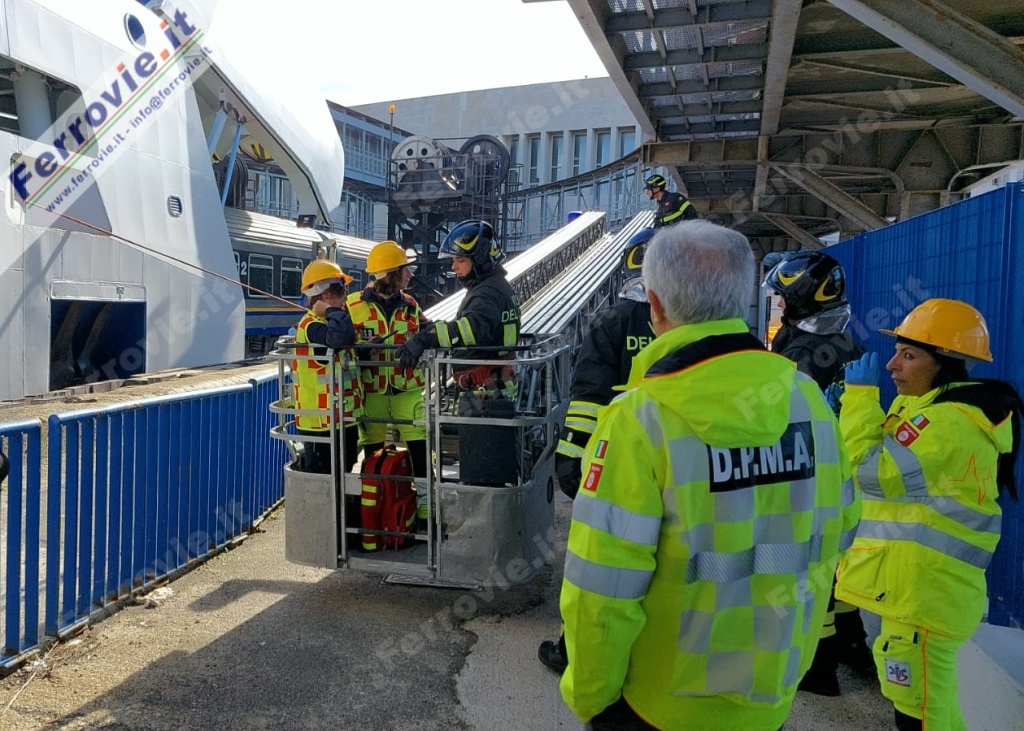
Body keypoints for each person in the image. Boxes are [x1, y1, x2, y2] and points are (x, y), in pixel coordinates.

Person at [559, 220, 859, 731]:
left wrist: (591, 696)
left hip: (659, 704)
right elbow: (842, 528)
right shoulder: (806, 399)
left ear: (655, 305)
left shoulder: (639, 420)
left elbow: (601, 591)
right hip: (771, 694)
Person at [836, 298, 1022, 731]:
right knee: (932, 704)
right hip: (925, 592)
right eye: (897, 352)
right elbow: (885, 454)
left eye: (909, 355)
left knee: (919, 709)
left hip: (923, 596)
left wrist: (859, 400)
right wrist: (844, 410)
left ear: (945, 362)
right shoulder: (930, 408)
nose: (891, 366)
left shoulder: (947, 423)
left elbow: (869, 473)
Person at [538, 227, 656, 675]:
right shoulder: (691, 326)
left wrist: (571, 458)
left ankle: (575, 650)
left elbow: (588, 397)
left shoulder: (612, 322)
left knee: (599, 562)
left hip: (614, 463)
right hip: (676, 463)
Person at [762, 250, 873, 694]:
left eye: (784, 298)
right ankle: (850, 641)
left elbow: (781, 411)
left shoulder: (808, 351)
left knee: (812, 569)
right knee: (834, 563)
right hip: (837, 462)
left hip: (812, 469)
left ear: (805, 299)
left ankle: (819, 668)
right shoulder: (837, 333)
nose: (779, 304)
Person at [347, 241, 430, 514]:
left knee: (419, 444)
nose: (410, 275)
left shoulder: (411, 305)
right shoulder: (352, 305)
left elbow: (428, 330)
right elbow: (341, 345)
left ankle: (426, 507)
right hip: (372, 390)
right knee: (372, 448)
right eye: (405, 269)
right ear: (392, 274)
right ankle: (373, 507)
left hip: (408, 387)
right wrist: (361, 349)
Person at [395, 220, 521, 386]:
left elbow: (470, 331)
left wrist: (424, 339)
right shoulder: (498, 286)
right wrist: (433, 328)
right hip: (495, 384)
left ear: (480, 259)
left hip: (484, 389)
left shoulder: (487, 293)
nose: (453, 267)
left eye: (460, 260)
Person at [292, 259, 362, 474]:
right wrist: (331, 311)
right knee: (323, 477)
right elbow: (340, 338)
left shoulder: (327, 322)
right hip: (320, 423)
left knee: (344, 471)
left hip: (341, 418)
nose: (345, 297)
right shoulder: (312, 325)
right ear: (324, 295)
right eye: (341, 291)